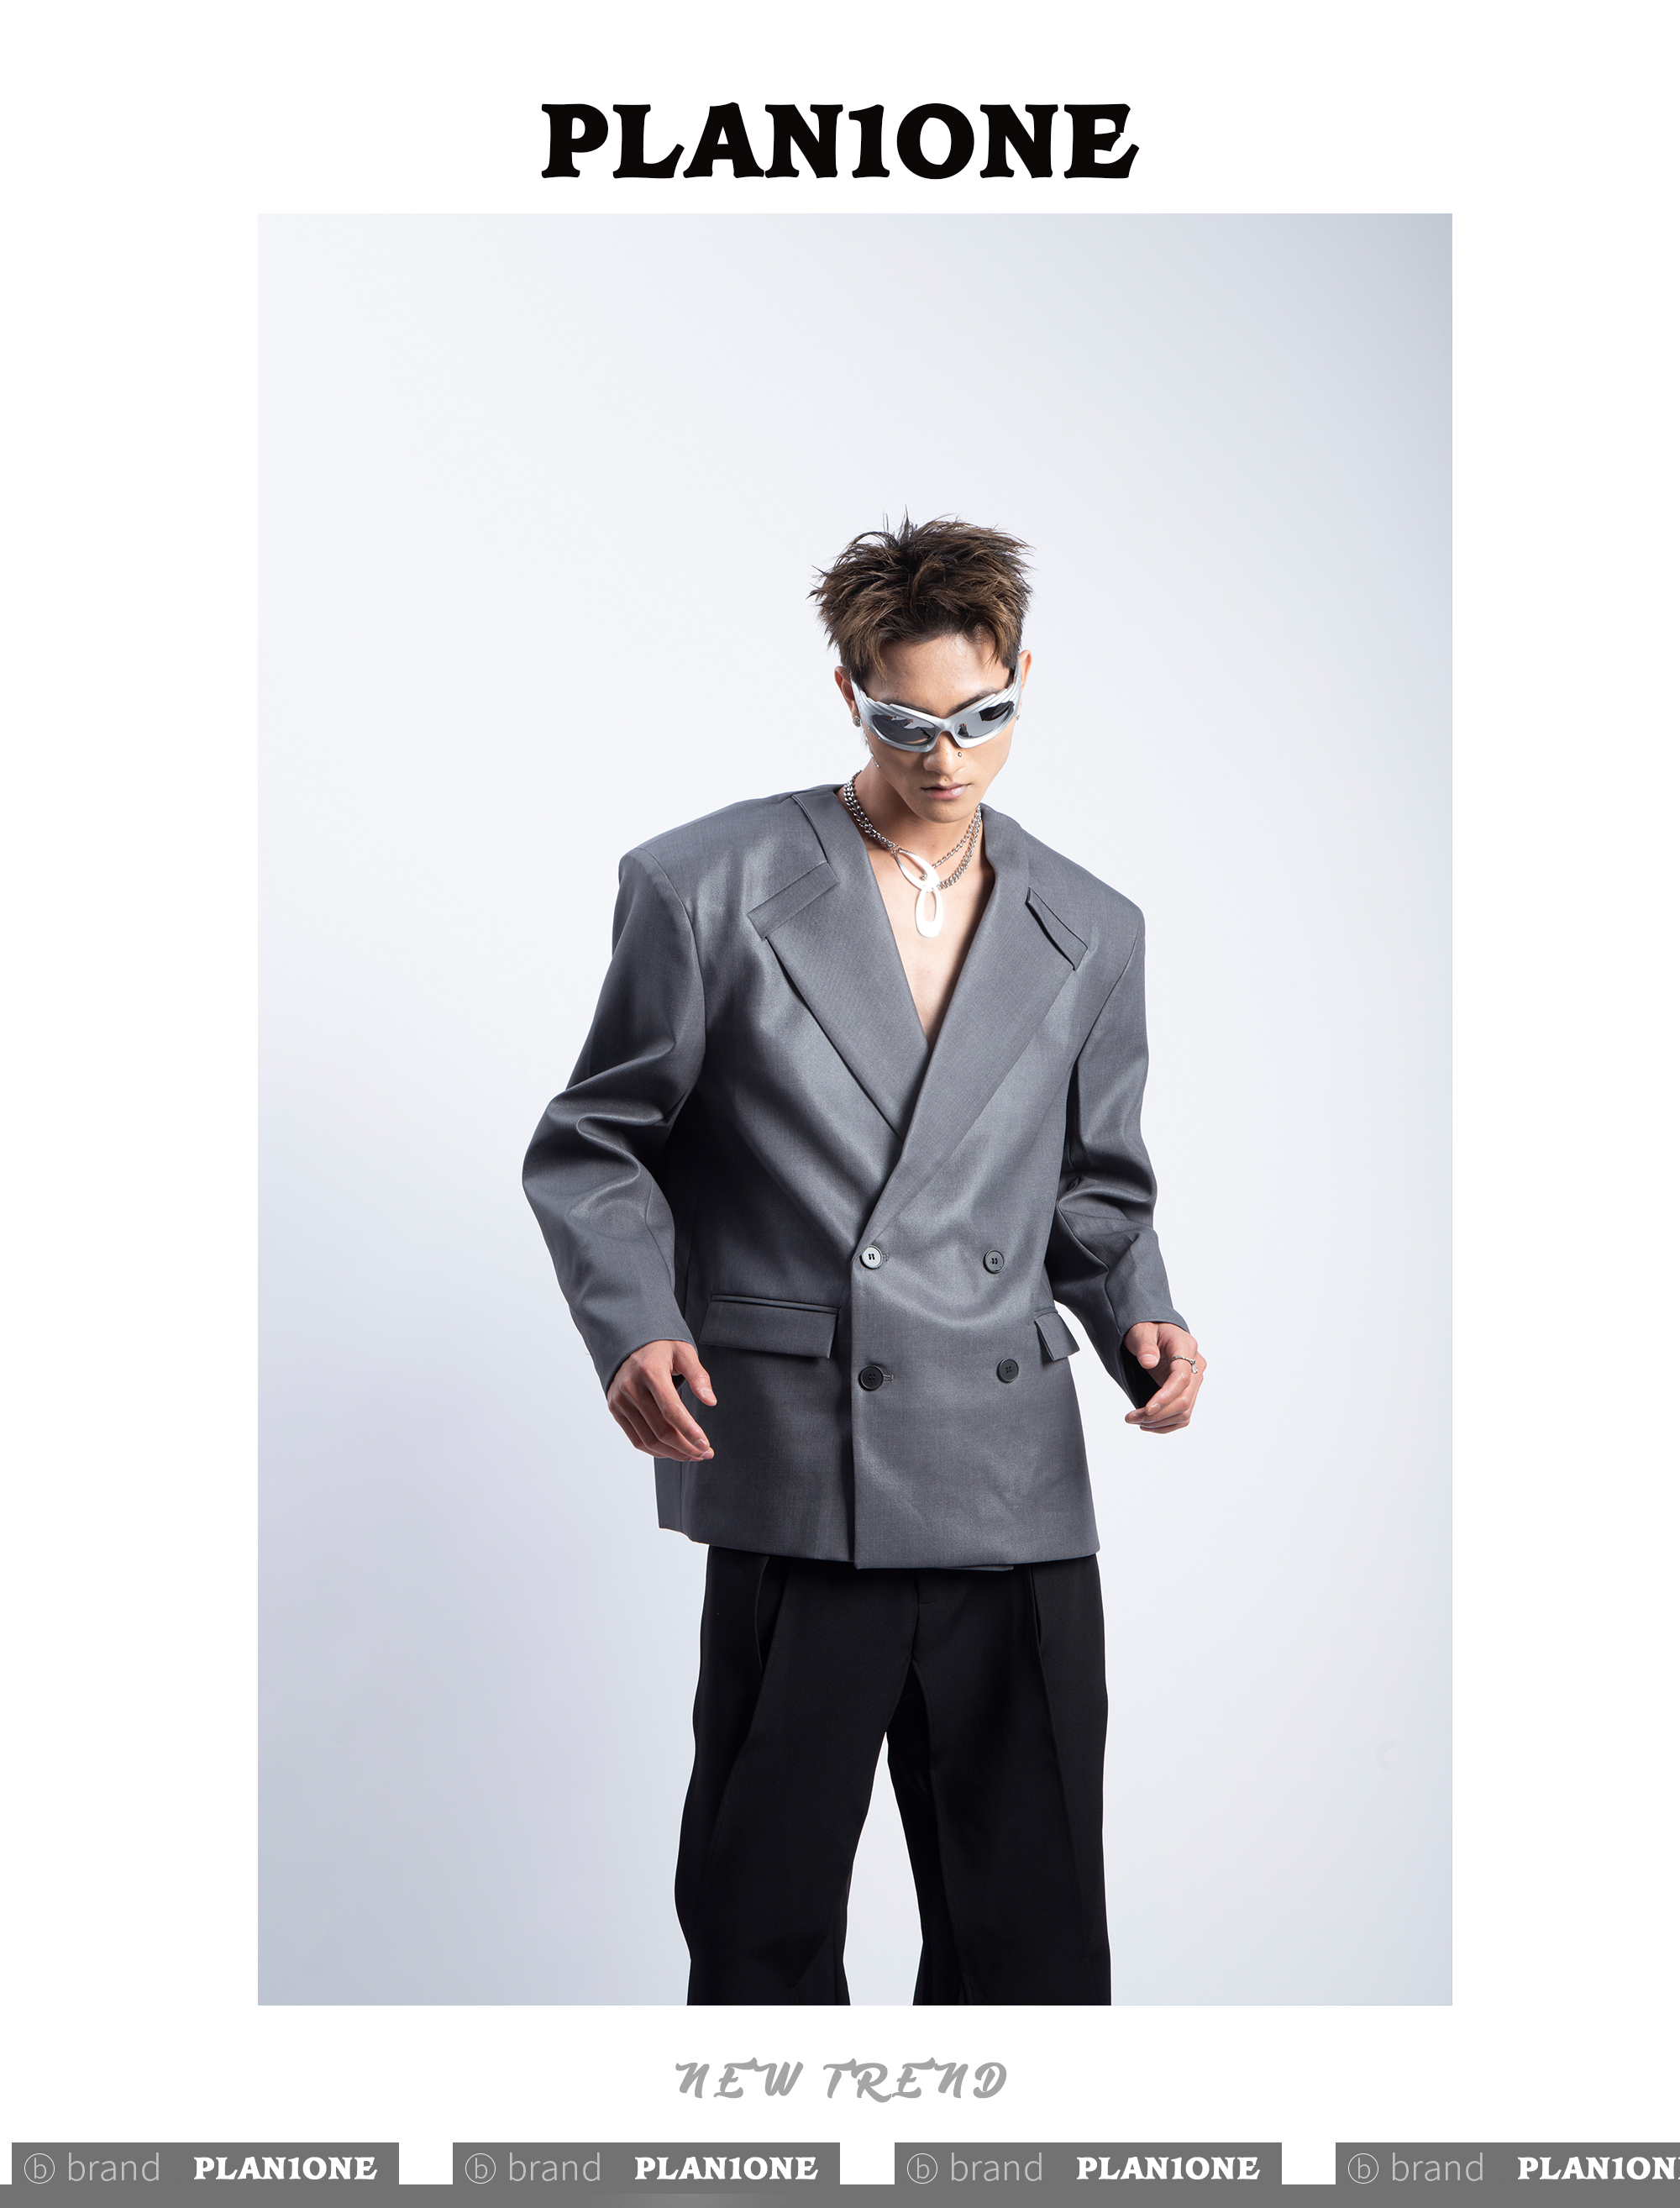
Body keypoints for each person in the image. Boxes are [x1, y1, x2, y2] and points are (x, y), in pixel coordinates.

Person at [522, 517, 1204, 2005]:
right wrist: (632, 1320)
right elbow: (596, 1142)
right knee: (759, 1940)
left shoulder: (1093, 927)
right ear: (848, 693)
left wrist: (1143, 1317)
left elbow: (1098, 1193)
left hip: (1011, 1485)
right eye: (906, 722)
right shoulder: (705, 884)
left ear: (1024, 678)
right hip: (798, 1468)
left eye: (981, 716)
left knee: (1034, 1950)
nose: (947, 757)